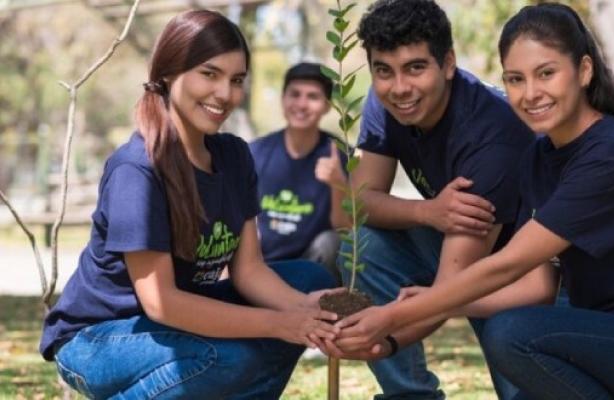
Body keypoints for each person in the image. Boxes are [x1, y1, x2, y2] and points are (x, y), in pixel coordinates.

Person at [331, 3, 614, 399]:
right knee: (515, 334)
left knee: (514, 334)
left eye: (546, 74)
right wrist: (402, 333)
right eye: (516, 79)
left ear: (584, 71)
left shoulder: (611, 155)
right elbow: (537, 286)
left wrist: (397, 315)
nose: (530, 93)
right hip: (601, 330)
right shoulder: (541, 156)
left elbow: (509, 263)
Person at [39, 10, 340, 399]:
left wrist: (303, 312)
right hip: (100, 338)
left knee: (309, 281)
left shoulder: (234, 156)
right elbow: (162, 303)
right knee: (226, 357)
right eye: (209, 74)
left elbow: (248, 270)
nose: (225, 94)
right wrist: (280, 323)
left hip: (174, 320)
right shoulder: (138, 168)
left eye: (236, 80)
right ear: (168, 73)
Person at [328, 1, 558, 399]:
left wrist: (384, 337)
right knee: (363, 245)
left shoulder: (491, 134)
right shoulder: (388, 104)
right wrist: (426, 211)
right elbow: (359, 204)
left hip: (528, 273)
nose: (399, 87)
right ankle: (410, 395)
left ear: (448, 63)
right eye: (383, 70)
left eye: (415, 67)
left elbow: (452, 288)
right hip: (464, 245)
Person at [250, 62, 347, 283]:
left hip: (309, 268)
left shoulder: (340, 155)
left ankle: (324, 312)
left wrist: (338, 183)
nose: (302, 104)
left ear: (327, 105)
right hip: (259, 268)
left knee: (332, 241)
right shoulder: (255, 153)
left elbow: (344, 230)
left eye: (312, 96)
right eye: (295, 94)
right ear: (283, 99)